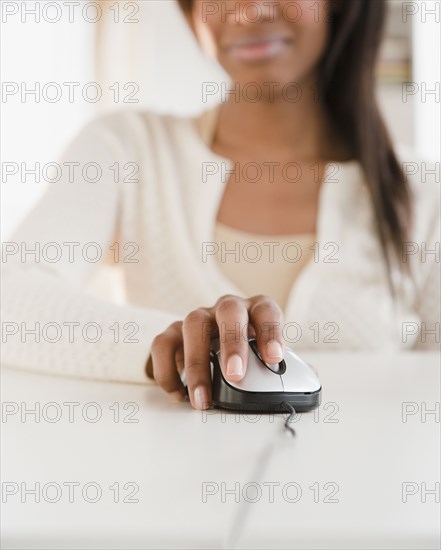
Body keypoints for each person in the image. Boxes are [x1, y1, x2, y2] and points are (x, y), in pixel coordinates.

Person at [2, 0, 439, 411]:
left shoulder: (423, 193)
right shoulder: (126, 149)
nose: (249, 10)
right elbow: (11, 298)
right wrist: (165, 343)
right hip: (178, 486)